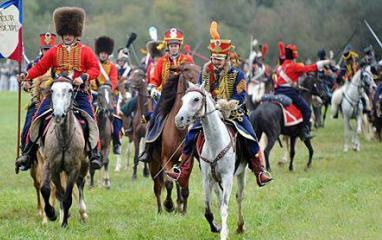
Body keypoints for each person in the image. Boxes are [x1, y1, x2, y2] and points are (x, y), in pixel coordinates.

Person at [166, 21, 272, 187]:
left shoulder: (238, 74)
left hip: (234, 113)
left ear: (226, 58)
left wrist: (228, 105)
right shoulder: (205, 72)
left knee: (250, 137)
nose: (216, 62)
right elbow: (201, 91)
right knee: (190, 136)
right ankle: (183, 171)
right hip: (208, 113)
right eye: (214, 58)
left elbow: (241, 95)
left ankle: (259, 170)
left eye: (219, 59)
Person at [15, 7, 102, 172]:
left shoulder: (86, 51)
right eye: (65, 33)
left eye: (71, 33)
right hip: (56, 92)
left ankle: (94, 154)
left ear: (76, 34)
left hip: (79, 93)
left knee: (91, 119)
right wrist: (26, 75)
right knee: (37, 117)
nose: (68, 36)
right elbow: (40, 67)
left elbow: (94, 69)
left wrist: (82, 78)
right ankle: (28, 152)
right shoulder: (54, 51)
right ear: (62, 34)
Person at [138, 28, 194, 162]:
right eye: (171, 46)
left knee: (199, 119)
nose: (173, 48)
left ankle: (197, 150)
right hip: (165, 98)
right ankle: (148, 148)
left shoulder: (187, 59)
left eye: (175, 45)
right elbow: (154, 80)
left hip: (185, 97)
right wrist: (153, 89)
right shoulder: (162, 61)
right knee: (155, 118)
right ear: (168, 47)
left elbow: (192, 77)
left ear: (179, 46)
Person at [274, 43, 332, 140]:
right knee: (307, 110)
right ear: (294, 56)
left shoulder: (280, 67)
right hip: (288, 92)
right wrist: (324, 62)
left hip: (277, 91)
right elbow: (310, 68)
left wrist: (295, 85)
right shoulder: (294, 66)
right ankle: (303, 132)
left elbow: (282, 80)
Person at [19, 32, 56, 163]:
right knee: (28, 127)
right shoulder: (34, 63)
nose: (47, 52)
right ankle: (26, 154)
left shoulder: (59, 63)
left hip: (57, 101)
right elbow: (26, 81)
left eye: (49, 49)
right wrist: (26, 84)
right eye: (45, 49)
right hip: (37, 102)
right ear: (41, 49)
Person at [93, 36, 121, 154]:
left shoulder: (112, 67)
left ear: (108, 54)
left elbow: (114, 80)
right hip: (95, 93)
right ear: (98, 53)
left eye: (105, 53)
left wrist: (109, 87)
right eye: (101, 53)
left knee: (116, 116)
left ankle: (116, 141)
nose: (103, 55)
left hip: (108, 94)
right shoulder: (93, 64)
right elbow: (90, 78)